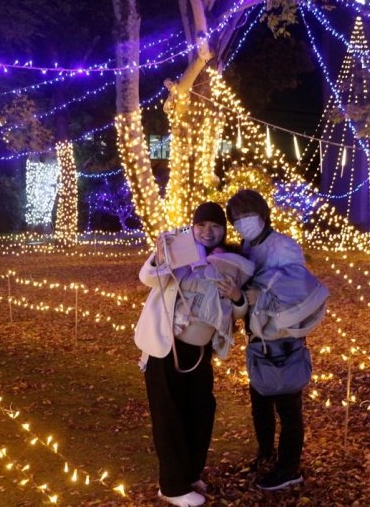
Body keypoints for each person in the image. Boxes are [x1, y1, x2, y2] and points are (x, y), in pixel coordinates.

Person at [135, 202, 252, 507]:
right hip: (165, 345)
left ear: (224, 230)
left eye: (215, 226)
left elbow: (238, 312)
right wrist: (161, 257)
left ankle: (188, 473)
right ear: (192, 226)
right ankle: (172, 486)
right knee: (169, 413)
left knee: (200, 410)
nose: (207, 232)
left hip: (200, 348)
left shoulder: (232, 261)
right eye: (201, 225)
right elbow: (148, 277)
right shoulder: (178, 251)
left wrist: (237, 297)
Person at [226, 189, 328, 492]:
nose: (244, 222)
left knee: (287, 404)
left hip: (283, 335)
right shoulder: (247, 246)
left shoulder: (284, 246)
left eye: (248, 215)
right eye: (237, 218)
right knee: (260, 400)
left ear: (263, 213)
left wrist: (255, 293)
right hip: (257, 333)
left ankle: (289, 467)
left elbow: (296, 287)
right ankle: (266, 454)